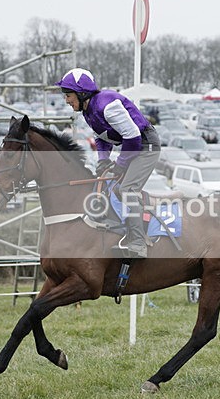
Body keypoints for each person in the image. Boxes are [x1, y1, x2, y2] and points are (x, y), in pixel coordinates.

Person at [56, 68, 160, 258]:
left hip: (146, 146)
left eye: (68, 95)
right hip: (133, 145)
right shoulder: (88, 111)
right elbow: (101, 138)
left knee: (127, 189)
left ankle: (138, 242)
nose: (66, 100)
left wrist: (120, 163)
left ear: (81, 93)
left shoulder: (107, 105)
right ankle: (117, 231)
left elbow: (133, 137)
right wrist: (103, 160)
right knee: (106, 186)